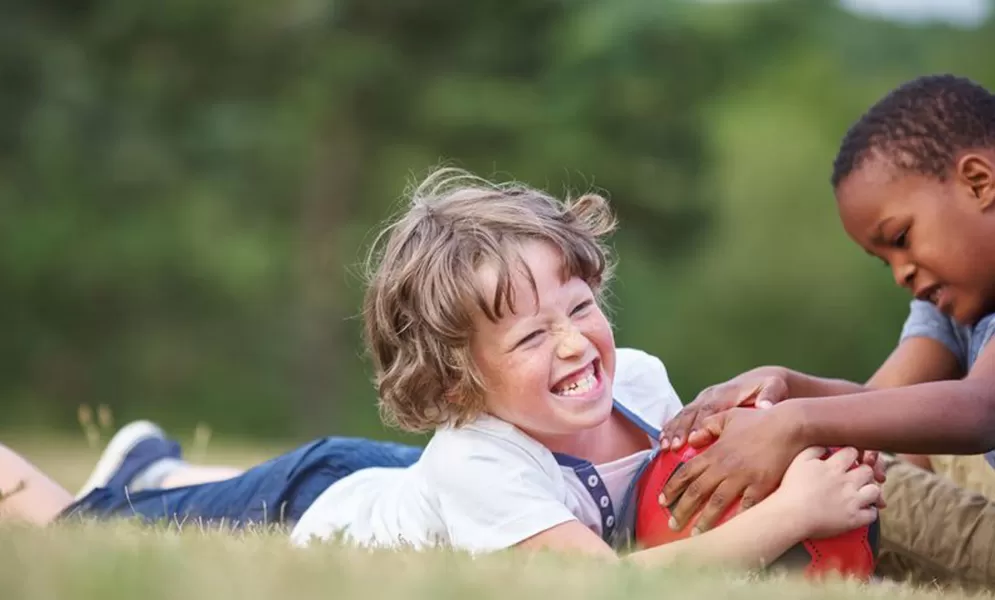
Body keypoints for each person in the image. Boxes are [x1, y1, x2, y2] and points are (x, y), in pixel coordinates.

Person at [0, 168, 881, 572]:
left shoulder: (641, 378)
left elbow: (691, 481)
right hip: (323, 504)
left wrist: (780, 447)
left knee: (204, 487)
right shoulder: (477, 461)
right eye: (531, 339)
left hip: (383, 475)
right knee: (88, 524)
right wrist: (797, 516)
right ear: (461, 387)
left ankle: (154, 461)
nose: (575, 345)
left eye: (579, 309)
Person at [655, 74, 995, 588]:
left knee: (831, 478)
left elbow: (980, 410)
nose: (903, 272)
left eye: (902, 238)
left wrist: (795, 425)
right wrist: (783, 385)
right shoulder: (954, 297)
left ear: (978, 181)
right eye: (886, 261)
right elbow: (876, 403)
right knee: (861, 445)